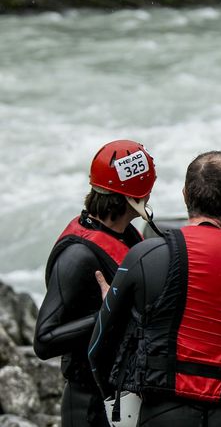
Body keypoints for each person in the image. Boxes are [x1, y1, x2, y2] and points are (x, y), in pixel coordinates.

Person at [87, 151, 221, 427]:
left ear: (185, 195)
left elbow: (97, 349)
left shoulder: (145, 256)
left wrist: (115, 404)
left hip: (164, 411)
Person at [34, 139, 158, 427]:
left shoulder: (125, 234)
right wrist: (107, 313)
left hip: (119, 396)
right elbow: (43, 340)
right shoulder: (77, 257)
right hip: (87, 404)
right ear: (140, 195)